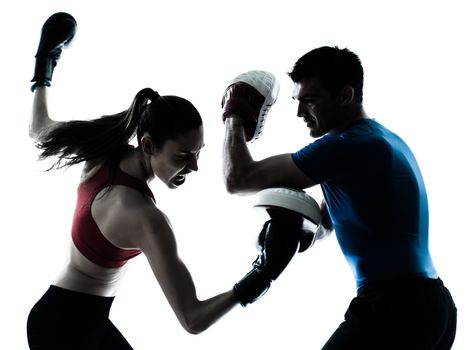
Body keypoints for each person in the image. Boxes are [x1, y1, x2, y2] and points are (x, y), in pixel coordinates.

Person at [26, 12, 318, 350]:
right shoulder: (146, 219)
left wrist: (44, 63)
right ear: (149, 145)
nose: (194, 167)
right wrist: (262, 273)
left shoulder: (101, 151)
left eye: (198, 154)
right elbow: (193, 319)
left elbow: (39, 129)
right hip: (63, 331)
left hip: (78, 319)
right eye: (183, 156)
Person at [220, 46, 458, 349]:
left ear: (345, 96)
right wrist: (298, 234)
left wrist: (235, 115)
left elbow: (237, 179)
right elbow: (329, 222)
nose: (299, 112)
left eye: (309, 100)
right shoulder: (382, 139)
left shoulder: (347, 145)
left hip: (396, 307)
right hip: (432, 306)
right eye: (298, 101)